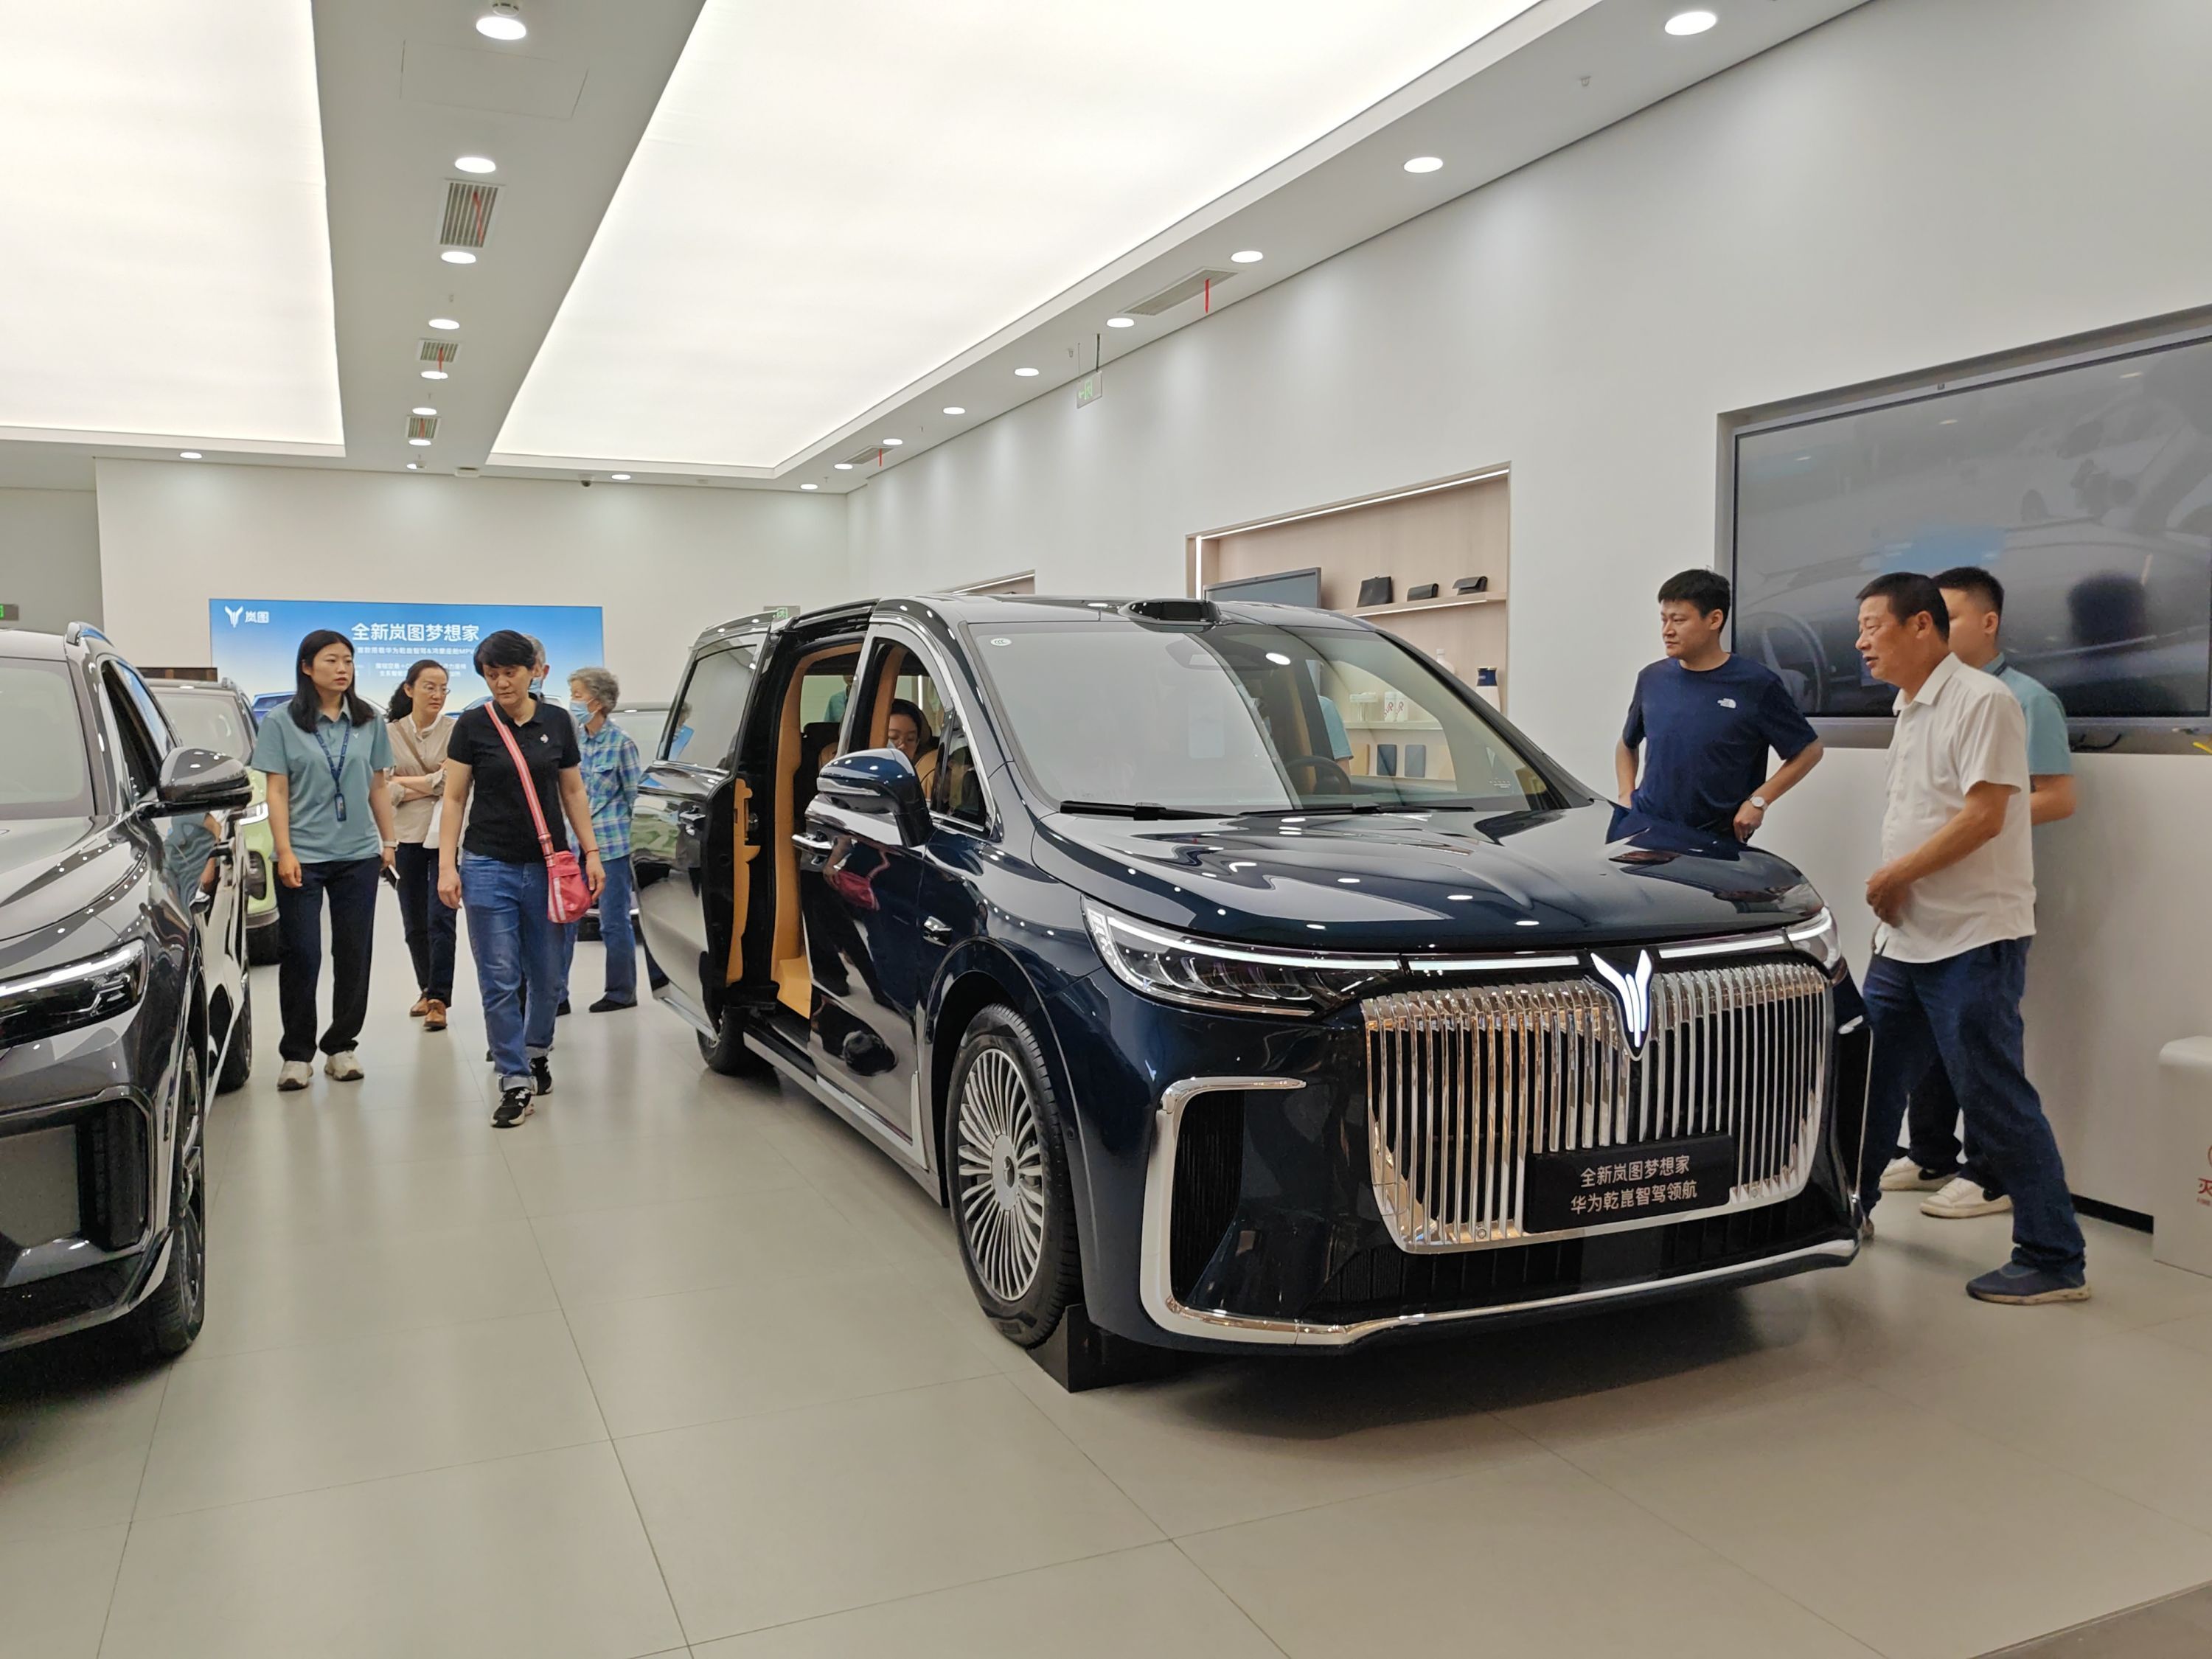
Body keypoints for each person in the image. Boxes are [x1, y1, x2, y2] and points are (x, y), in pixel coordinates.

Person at [1851, 572, 2087, 1304]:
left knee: (1992, 1095)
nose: (1860, 643)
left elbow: (1986, 816)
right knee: (1870, 1078)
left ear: (1922, 626)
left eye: (1873, 627)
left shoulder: (1985, 701)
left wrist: (1896, 876)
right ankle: (1845, 1209)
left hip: (1973, 938)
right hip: (1906, 939)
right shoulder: (1908, 705)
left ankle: (2054, 1258)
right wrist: (1898, 889)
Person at [438, 630, 604, 1128]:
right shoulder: (472, 725)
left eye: (510, 672)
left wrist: (592, 853)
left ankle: (535, 1052)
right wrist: (447, 865)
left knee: (548, 976)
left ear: (534, 671)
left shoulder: (557, 722)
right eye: (492, 675)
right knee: (499, 977)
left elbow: (572, 792)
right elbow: (454, 798)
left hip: (549, 867)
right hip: (487, 865)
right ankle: (513, 1078)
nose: (501, 683)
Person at [248, 630, 397, 1091]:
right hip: (302, 855)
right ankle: (297, 1054)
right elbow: (276, 790)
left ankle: (341, 1046)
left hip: (358, 854)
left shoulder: (369, 720)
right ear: (307, 667)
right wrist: (284, 850)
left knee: (354, 951)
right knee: (302, 953)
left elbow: (377, 785)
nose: (342, 668)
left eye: (348, 660)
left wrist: (389, 842)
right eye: (331, 660)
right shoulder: (281, 721)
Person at [1615, 569, 1824, 841]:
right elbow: (1627, 744)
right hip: (1648, 831)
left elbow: (1809, 751)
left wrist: (1759, 801)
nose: (1667, 631)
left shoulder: (1756, 684)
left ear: (1714, 619)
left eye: (1679, 620)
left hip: (1716, 841)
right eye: (1664, 620)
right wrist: (1626, 796)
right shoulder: (1651, 678)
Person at [558, 667, 644, 1012]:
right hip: (573, 843)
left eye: (577, 695)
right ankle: (556, 996)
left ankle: (621, 992)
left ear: (597, 701)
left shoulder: (622, 743)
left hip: (611, 845)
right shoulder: (572, 740)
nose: (573, 701)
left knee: (613, 921)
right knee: (565, 922)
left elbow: (633, 798)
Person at [386, 659, 457, 1032]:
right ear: (409, 689)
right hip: (406, 836)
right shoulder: (388, 733)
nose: (437, 695)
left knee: (441, 916)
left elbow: (454, 784)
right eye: (430, 686)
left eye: (443, 688)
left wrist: (406, 782)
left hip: (446, 835)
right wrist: (431, 782)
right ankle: (425, 987)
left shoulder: (455, 731)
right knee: (414, 919)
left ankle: (439, 999)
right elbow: (382, 789)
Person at [886, 697, 939, 797]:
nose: (903, 745)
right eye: (893, 737)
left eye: (910, 739)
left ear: (918, 743)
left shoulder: (924, 777)